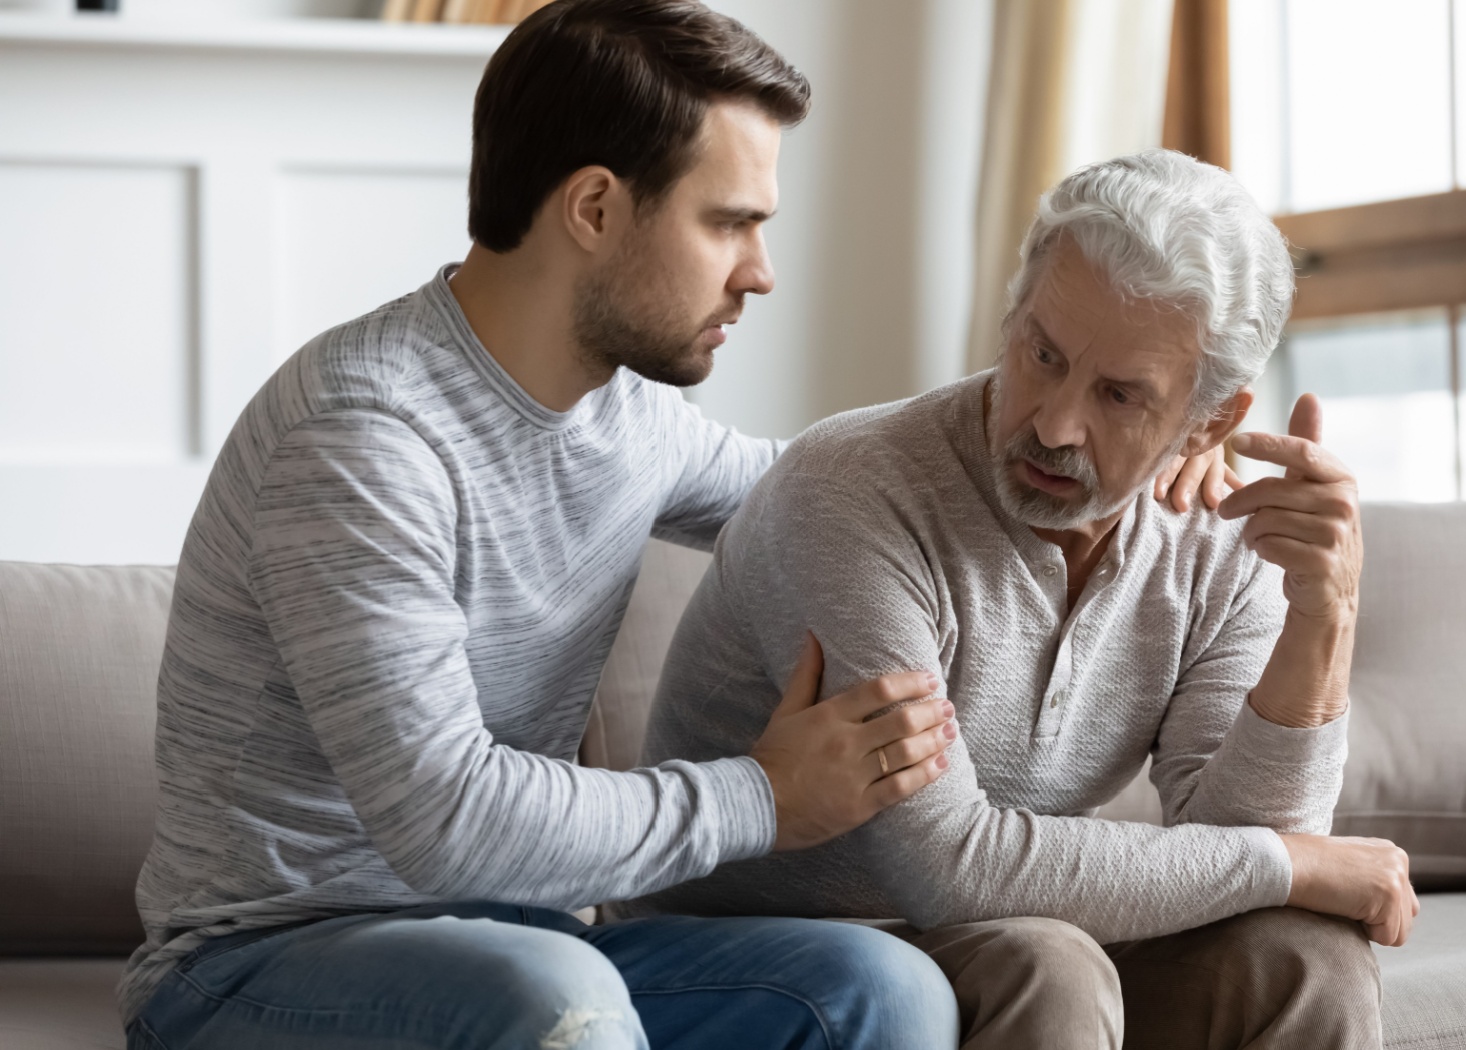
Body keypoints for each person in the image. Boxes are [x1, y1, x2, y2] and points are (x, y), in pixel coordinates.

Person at [118, 3, 968, 1047]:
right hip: (256, 967)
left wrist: (1117, 442)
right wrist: (762, 797)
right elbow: (446, 816)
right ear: (597, 209)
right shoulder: (363, 436)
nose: (760, 272)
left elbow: (839, 492)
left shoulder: (633, 418)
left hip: (529, 946)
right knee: (555, 997)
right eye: (728, 221)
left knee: (883, 990)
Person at [634, 150, 1420, 1050]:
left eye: (1120, 395)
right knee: (1052, 964)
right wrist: (1282, 863)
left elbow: (1247, 856)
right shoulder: (856, 492)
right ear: (1011, 314)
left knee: (1302, 955)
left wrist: (1325, 614)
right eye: (1041, 354)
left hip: (988, 941)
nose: (1053, 423)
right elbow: (947, 866)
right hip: (743, 960)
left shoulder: (1218, 537)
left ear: (1208, 421)